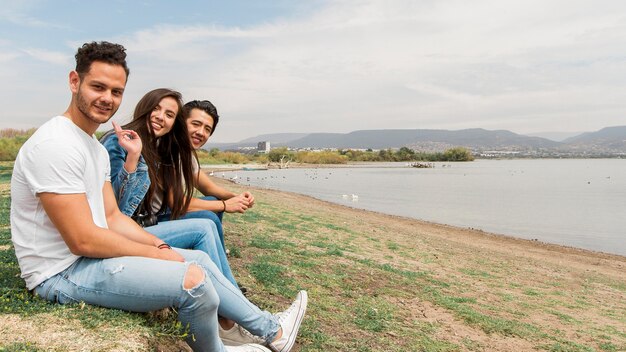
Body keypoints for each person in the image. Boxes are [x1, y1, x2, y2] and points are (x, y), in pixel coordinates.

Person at [10, 41, 307, 352]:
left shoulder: (93, 148)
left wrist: (157, 244)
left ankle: (272, 332)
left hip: (90, 257)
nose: (107, 98)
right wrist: (157, 254)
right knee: (194, 281)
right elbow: (82, 240)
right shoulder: (56, 144)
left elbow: (112, 217)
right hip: (61, 273)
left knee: (201, 260)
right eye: (98, 86)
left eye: (116, 91)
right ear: (74, 81)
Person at [100, 88, 239, 288]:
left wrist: (231, 198)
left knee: (211, 206)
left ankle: (223, 274)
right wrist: (132, 157)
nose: (161, 117)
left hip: (149, 218)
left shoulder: (162, 146)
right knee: (206, 222)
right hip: (132, 228)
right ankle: (229, 289)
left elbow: (204, 187)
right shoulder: (121, 141)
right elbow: (116, 209)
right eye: (156, 109)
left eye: (169, 114)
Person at [157, 99, 256, 254]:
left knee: (213, 200)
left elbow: (208, 188)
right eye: (195, 124)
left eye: (207, 129)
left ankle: (216, 249)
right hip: (153, 218)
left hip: (166, 212)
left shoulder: (186, 154)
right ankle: (217, 254)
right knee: (209, 215)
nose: (201, 132)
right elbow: (176, 203)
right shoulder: (168, 150)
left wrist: (237, 197)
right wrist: (225, 205)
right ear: (180, 123)